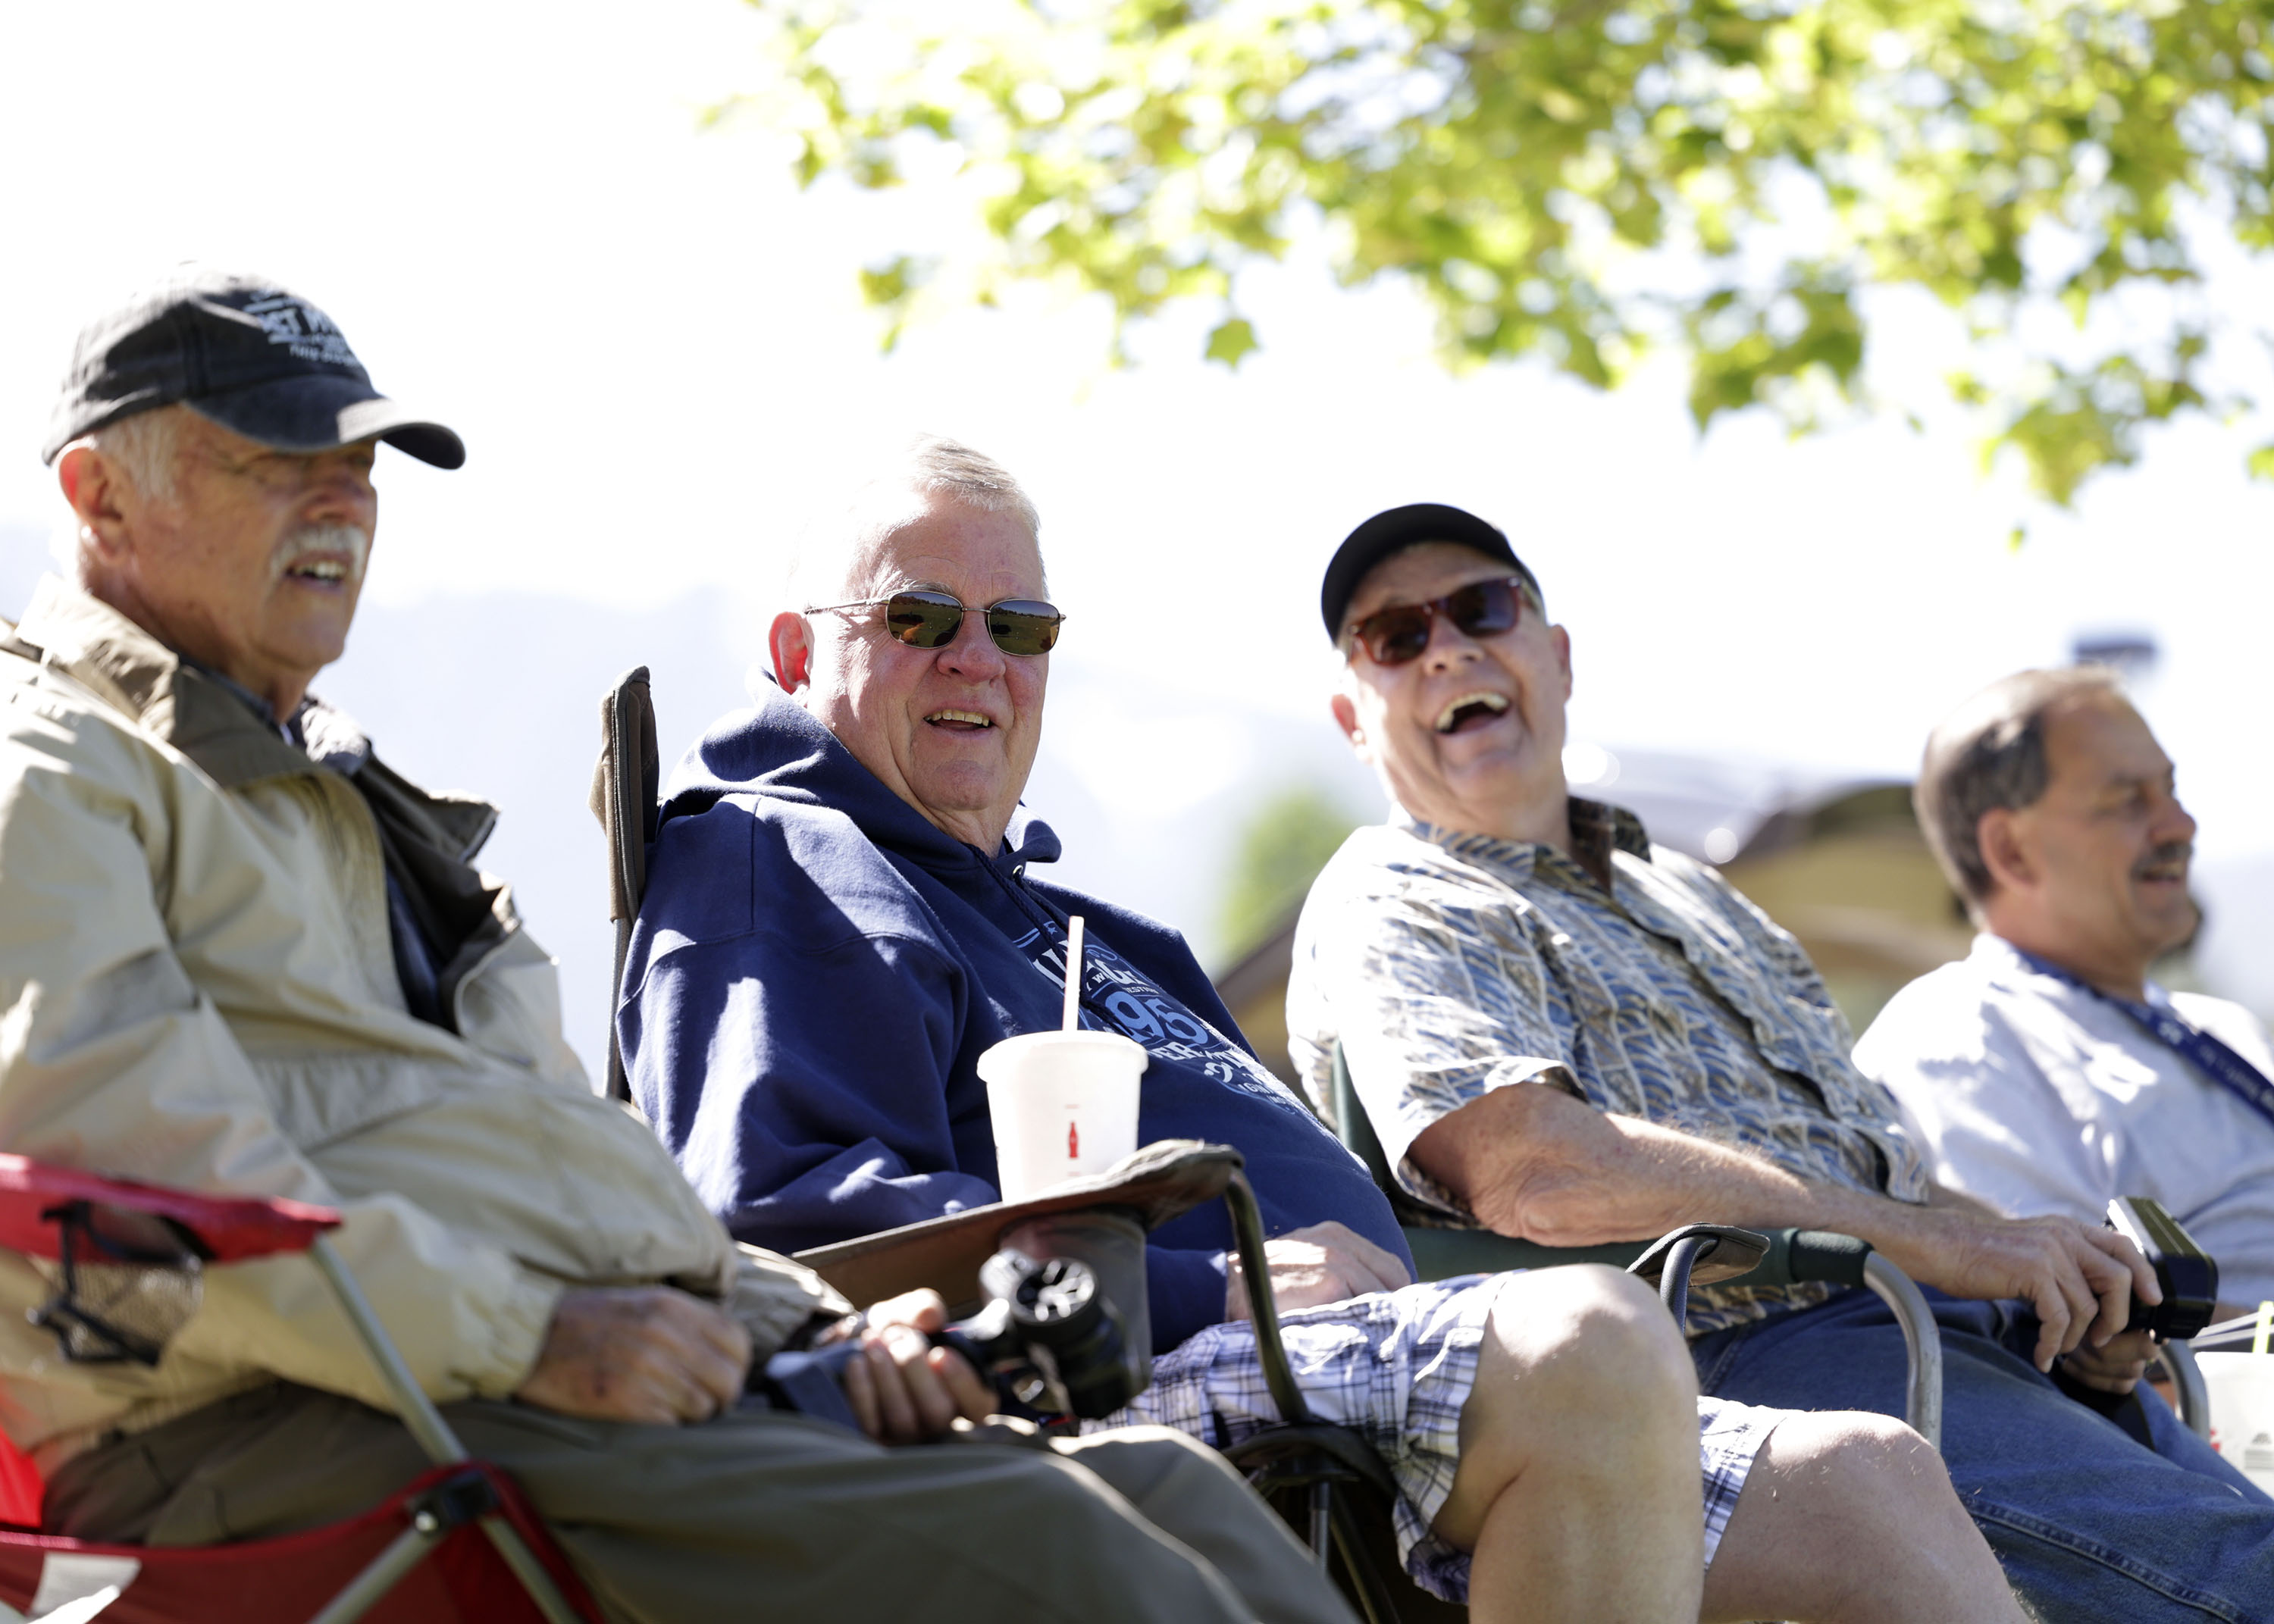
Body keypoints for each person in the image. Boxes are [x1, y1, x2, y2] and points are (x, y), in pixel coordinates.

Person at [0, 267, 1366, 1624]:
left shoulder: (341, 798)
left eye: (359, 468)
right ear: (97, 496)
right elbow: (119, 1202)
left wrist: (815, 1325)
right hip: (284, 1425)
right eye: (273, 462)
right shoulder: (54, 773)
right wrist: (532, 1334)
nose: (341, 504)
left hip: (533, 1383)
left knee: (1167, 1493)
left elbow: (586, 1180)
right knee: (1077, 1559)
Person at [622, 438, 2028, 1623]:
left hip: (1350, 1367)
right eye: (922, 617)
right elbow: (782, 1220)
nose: (980, 660)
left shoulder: (1088, 929)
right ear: (798, 651)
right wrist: (1215, 1285)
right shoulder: (775, 854)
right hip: (1099, 1380)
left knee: (1870, 1475)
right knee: (1587, 1343)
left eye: (1022, 626)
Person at [1283, 501, 2274, 1622]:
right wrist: (1925, 1240)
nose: (1447, 649)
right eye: (1395, 636)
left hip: (1927, 1336)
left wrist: (2046, 1270)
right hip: (1716, 1361)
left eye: (1480, 607)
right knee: (2244, 1574)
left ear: (1556, 656)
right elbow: (1534, 1171)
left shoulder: (1697, 894)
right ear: (1353, 717)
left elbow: (1876, 1165)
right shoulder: (1398, 891)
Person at [1853, 667, 2272, 1318]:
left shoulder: (2221, 1026)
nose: (2180, 825)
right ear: (2012, 851)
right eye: (2127, 800)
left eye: (2170, 790)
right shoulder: (1963, 1034)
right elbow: (2082, 1328)